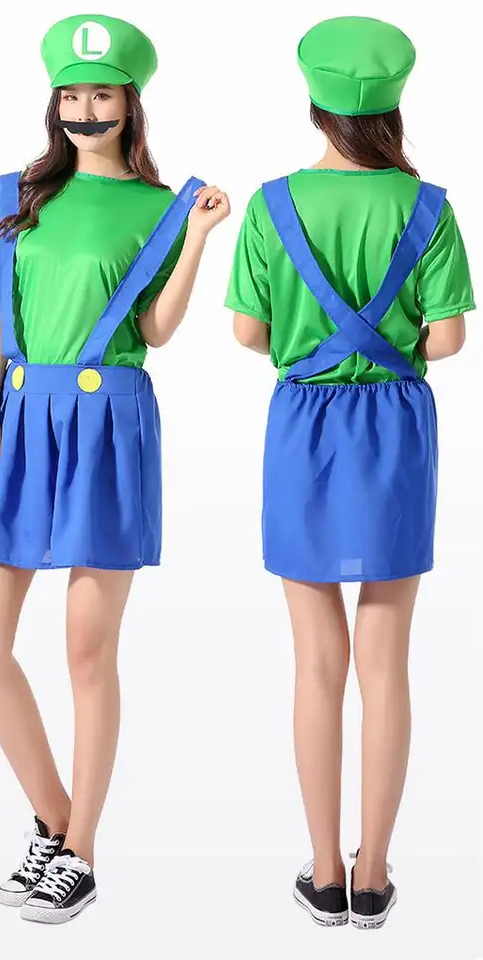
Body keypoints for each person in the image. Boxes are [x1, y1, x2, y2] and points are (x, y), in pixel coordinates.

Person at [0, 13, 229, 925]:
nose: (83, 111)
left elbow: (155, 330)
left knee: (85, 649)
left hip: (110, 422)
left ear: (131, 102)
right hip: (23, 418)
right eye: (70, 95)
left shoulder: (162, 207)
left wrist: (197, 239)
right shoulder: (17, 195)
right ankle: (53, 819)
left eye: (101, 94)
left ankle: (80, 852)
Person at [225, 16, 474, 930]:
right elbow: (447, 339)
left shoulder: (272, 204)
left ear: (314, 104)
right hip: (396, 428)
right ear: (394, 106)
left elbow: (247, 331)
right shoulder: (428, 205)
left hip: (303, 426)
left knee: (315, 661)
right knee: (387, 659)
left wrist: (312, 343)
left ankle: (325, 870)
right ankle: (374, 874)